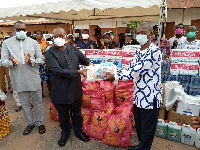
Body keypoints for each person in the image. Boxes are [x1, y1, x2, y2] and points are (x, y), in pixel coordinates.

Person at [105, 22, 162, 150]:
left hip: (150, 96)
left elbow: (137, 70)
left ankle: (143, 148)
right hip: (138, 95)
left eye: (143, 33)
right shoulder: (138, 51)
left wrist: (115, 76)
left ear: (151, 34)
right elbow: (129, 68)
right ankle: (141, 146)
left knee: (148, 127)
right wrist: (112, 72)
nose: (140, 35)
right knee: (140, 125)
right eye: (139, 32)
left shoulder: (154, 51)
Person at [45, 27, 93, 147]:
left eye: (61, 35)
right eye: (55, 36)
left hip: (75, 88)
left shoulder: (72, 48)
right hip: (60, 89)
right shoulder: (49, 52)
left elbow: (83, 59)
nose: (58, 38)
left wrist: (89, 63)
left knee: (76, 113)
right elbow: (57, 71)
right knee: (63, 114)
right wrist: (78, 72)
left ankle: (78, 131)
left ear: (66, 36)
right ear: (53, 38)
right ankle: (65, 132)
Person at [1, 21, 46, 135]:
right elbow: (3, 61)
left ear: (26, 30)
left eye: (23, 29)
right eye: (18, 29)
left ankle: (40, 123)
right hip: (18, 79)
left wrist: (31, 61)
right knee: (25, 104)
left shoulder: (33, 42)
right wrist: (12, 63)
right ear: (14, 30)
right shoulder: (7, 43)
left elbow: (41, 60)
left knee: (38, 103)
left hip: (33, 78)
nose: (21, 31)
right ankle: (30, 123)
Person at [36, 30, 51, 97]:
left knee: (48, 79)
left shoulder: (46, 43)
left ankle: (50, 93)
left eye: (40, 34)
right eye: (38, 34)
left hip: (46, 63)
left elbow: (49, 52)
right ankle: (41, 94)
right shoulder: (34, 44)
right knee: (39, 80)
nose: (39, 35)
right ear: (36, 36)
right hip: (38, 63)